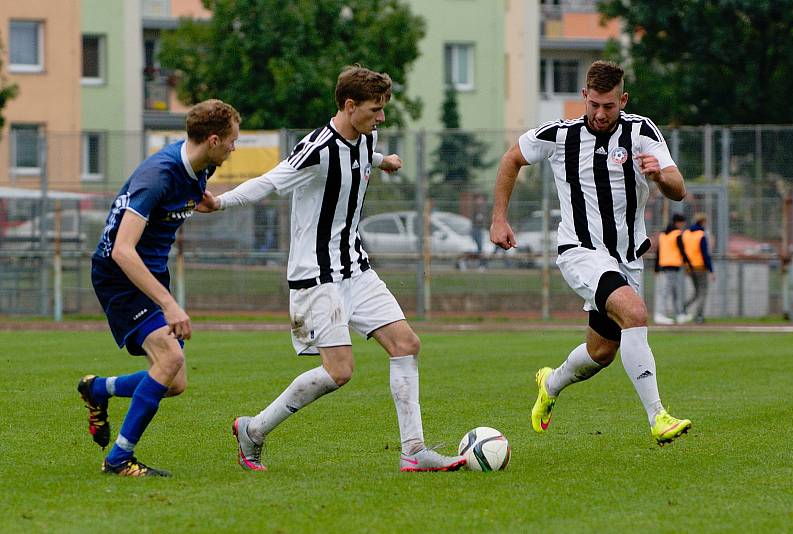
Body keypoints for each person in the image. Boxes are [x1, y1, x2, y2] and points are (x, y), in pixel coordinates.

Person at [196, 66, 465, 472]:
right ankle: (253, 429)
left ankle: (414, 451)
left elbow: (360, 156)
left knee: (406, 344)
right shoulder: (316, 148)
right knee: (339, 372)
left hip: (356, 268)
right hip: (316, 276)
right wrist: (220, 201)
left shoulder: (365, 136)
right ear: (349, 105)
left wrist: (383, 160)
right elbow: (271, 181)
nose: (382, 118)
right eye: (375, 110)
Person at [490, 60, 692, 445]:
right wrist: (499, 219)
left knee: (601, 352)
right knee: (634, 313)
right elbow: (511, 159)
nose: (600, 114)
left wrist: (659, 175)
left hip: (626, 258)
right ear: (584, 96)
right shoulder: (558, 135)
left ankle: (550, 383)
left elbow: (678, 188)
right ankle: (658, 417)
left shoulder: (641, 131)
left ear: (623, 100)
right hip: (579, 251)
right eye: (594, 104)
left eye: (609, 106)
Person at [78, 99, 241, 477]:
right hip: (120, 273)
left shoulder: (204, 166)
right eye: (232, 140)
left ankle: (99, 389)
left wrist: (205, 201)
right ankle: (119, 459)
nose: (235, 147)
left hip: (149, 271)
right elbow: (122, 249)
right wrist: (169, 304)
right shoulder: (159, 175)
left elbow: (187, 194)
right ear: (214, 139)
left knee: (174, 381)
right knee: (170, 360)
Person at [654, 213, 690, 324]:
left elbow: (658, 252)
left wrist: (656, 268)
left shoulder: (663, 235)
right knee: (668, 291)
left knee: (673, 291)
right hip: (673, 265)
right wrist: (688, 262)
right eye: (682, 222)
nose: (683, 225)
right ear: (678, 222)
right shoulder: (677, 234)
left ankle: (679, 314)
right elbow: (682, 250)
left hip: (664, 265)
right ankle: (660, 314)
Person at [682, 213, 715, 323]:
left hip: (688, 267)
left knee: (696, 292)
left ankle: (683, 307)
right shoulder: (701, 235)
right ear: (703, 222)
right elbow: (705, 254)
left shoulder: (686, 233)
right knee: (702, 292)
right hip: (700, 266)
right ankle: (698, 316)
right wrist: (711, 270)